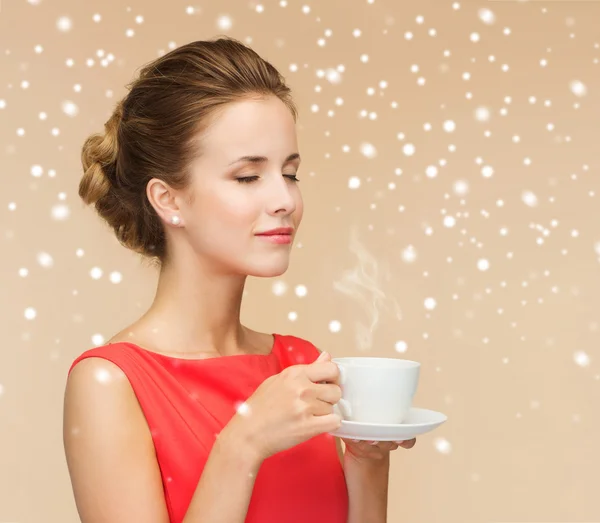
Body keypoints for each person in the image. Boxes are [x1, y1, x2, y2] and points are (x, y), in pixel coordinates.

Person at [62, 36, 416, 523]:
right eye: (248, 176)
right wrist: (243, 442)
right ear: (168, 200)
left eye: (290, 174)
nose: (285, 200)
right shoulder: (109, 384)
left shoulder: (302, 366)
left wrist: (368, 461)